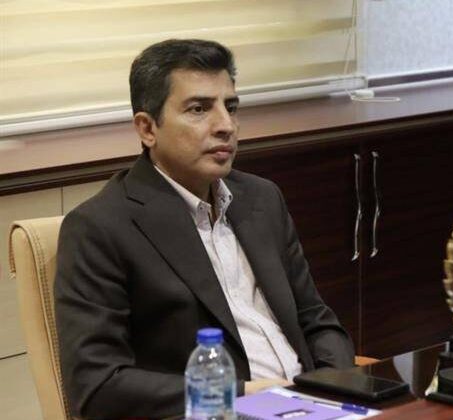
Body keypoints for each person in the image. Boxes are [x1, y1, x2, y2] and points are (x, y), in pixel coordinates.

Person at [54, 39, 355, 419]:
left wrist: (325, 389)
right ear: (147, 128)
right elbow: (97, 386)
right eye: (199, 109)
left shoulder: (262, 199)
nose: (225, 126)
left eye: (231, 107)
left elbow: (318, 321)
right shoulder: (99, 228)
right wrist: (238, 394)